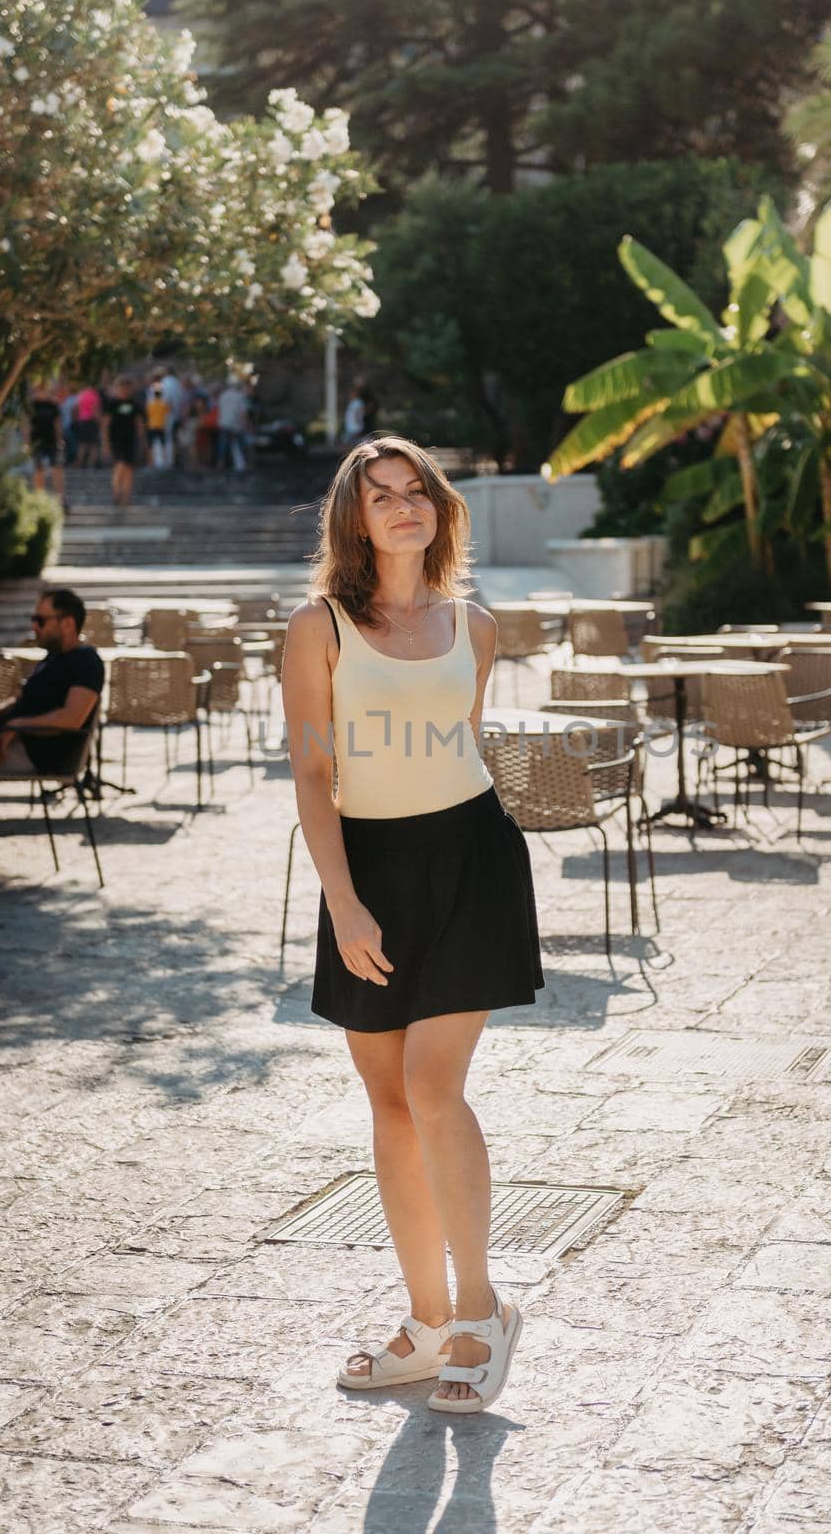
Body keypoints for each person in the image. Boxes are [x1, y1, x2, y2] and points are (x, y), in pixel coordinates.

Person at [282, 435, 543, 1414]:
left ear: (437, 508)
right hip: (369, 870)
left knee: (435, 1086)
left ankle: (481, 1311)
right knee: (389, 1101)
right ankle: (427, 1320)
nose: (401, 507)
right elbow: (315, 772)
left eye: (415, 492)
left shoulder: (475, 625)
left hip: (473, 859)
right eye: (380, 495)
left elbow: (461, 746)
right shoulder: (318, 627)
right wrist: (344, 899)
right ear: (355, 517)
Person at [0, 589, 104, 786]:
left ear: (67, 623)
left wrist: (18, 725)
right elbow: (21, 697)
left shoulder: (86, 661)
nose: (34, 626)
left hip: (32, 751)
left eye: (41, 620)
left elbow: (72, 718)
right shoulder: (54, 657)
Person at [102, 376, 146, 507]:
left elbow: (139, 425)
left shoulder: (135, 405)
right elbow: (105, 425)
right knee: (120, 466)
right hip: (116, 440)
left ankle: (127, 498)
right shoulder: (112, 404)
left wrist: (143, 442)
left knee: (129, 469)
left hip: (130, 440)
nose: (125, 390)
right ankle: (117, 493)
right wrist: (105, 444)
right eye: (122, 387)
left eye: (128, 387)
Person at [27, 382, 65, 507]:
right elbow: (26, 425)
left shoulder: (53, 405)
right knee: (39, 469)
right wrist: (26, 441)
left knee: (56, 468)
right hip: (36, 441)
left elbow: (58, 424)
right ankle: (39, 498)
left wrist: (60, 440)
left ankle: (60, 498)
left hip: (51, 440)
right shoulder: (31, 405)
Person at [217, 378, 249, 474]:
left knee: (223, 444)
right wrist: (246, 424)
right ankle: (242, 464)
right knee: (240, 444)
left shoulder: (223, 395)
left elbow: (220, 409)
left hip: (223, 423)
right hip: (236, 424)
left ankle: (220, 463)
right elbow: (243, 413)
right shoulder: (240, 396)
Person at [159, 368, 185, 468]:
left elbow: (165, 400)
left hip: (166, 415)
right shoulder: (177, 383)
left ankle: (167, 461)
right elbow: (181, 400)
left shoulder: (165, 382)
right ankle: (174, 460)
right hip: (176, 414)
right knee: (174, 438)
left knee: (167, 437)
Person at [75, 381, 103, 472]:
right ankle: (90, 465)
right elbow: (95, 410)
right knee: (94, 445)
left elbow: (77, 408)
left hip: (82, 421)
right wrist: (100, 422)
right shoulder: (94, 395)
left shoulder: (81, 395)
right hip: (91, 421)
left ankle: (79, 463)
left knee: (82, 444)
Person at [145, 378, 169, 469]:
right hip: (161, 426)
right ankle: (165, 462)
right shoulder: (164, 403)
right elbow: (168, 411)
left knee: (150, 445)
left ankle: (150, 463)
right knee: (163, 444)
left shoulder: (150, 404)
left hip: (152, 425)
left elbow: (147, 414)